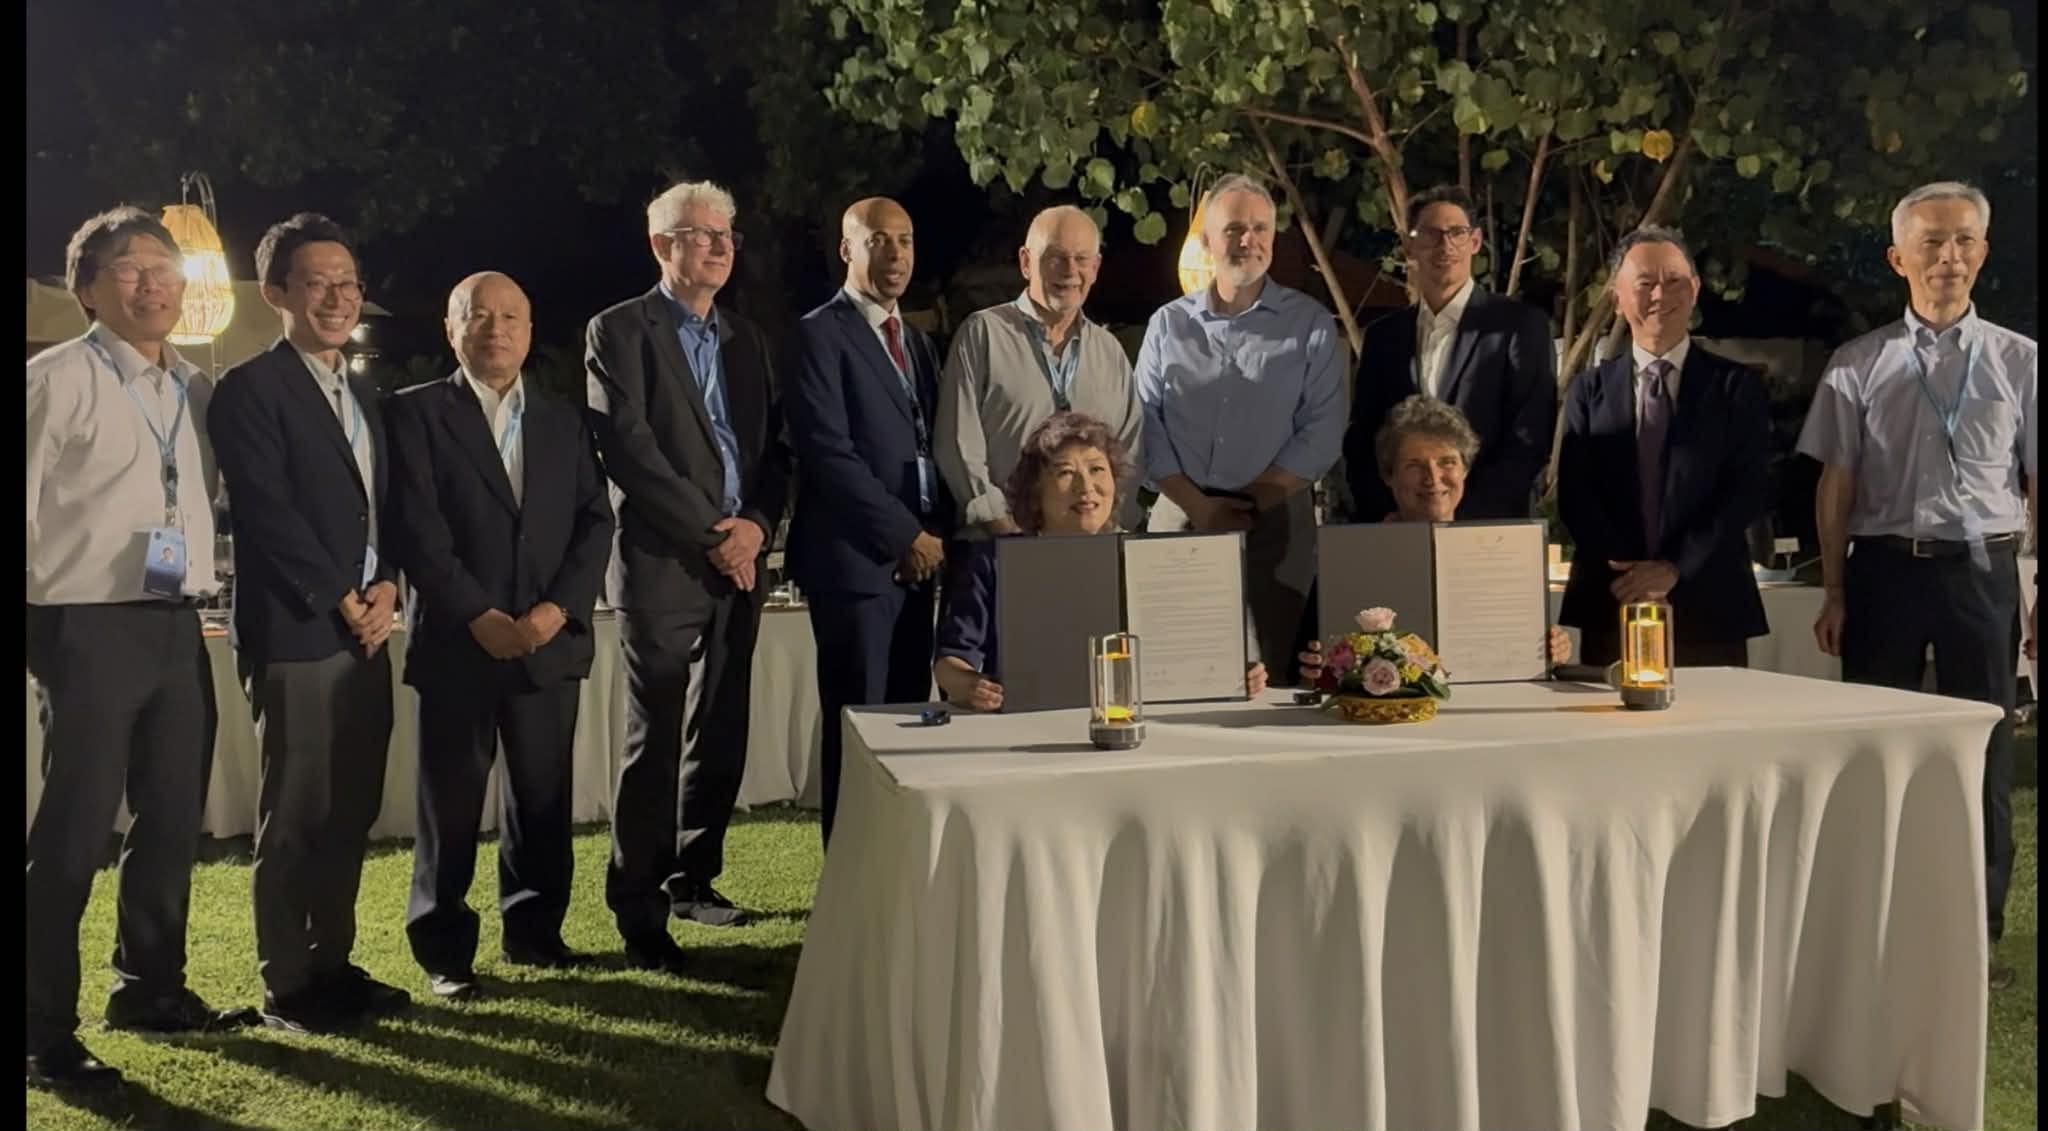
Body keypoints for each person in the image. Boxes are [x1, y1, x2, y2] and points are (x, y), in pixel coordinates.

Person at [26, 207, 249, 1087]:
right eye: (130, 267)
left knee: (170, 816)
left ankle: (150, 988)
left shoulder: (193, 388)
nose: (155, 282)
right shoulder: (55, 379)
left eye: (166, 266)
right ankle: (40, 1027)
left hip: (175, 621)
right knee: (75, 829)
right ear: (87, 289)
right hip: (85, 623)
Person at [1797, 180, 2036, 991]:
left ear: (1983, 253)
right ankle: (1873, 925)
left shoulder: (2020, 360)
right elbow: (1836, 484)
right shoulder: (1857, 364)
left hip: (1983, 571)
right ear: (1899, 258)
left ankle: (1978, 934)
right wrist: (1834, 588)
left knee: (1986, 753)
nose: (1949, 257)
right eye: (1932, 242)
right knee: (1873, 751)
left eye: (1964, 240)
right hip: (1886, 570)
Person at [385, 272, 615, 1001]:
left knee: (542, 801)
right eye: (478, 316)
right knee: (449, 808)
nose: (496, 329)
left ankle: (536, 933)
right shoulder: (414, 413)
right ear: (451, 329)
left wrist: (556, 610)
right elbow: (416, 528)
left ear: (530, 328)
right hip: (459, 646)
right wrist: (478, 614)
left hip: (547, 643)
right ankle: (444, 950)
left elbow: (595, 522)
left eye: (511, 316)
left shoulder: (563, 419)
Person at [209, 212, 408, 1033]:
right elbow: (266, 511)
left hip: (366, 631)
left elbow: (383, 510)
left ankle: (334, 962)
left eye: (348, 282)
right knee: (295, 812)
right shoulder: (249, 389)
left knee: (350, 807)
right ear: (276, 293)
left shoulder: (362, 392)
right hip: (297, 629)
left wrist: (388, 585)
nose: (337, 297)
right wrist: (339, 596)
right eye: (317, 282)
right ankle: (287, 982)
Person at [585, 180, 792, 968]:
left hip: (742, 557)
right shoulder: (617, 331)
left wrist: (757, 527)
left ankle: (694, 878)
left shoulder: (747, 339)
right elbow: (630, 451)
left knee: (722, 726)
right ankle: (639, 910)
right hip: (665, 562)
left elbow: (775, 450)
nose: (718, 246)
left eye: (726, 234)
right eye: (700, 233)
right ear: (660, 245)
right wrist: (715, 536)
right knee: (657, 738)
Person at [786, 198, 950, 846]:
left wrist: (934, 538)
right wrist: (904, 535)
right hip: (856, 568)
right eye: (880, 240)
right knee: (859, 731)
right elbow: (828, 453)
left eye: (905, 240)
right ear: (847, 249)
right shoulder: (818, 335)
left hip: (919, 567)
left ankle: (897, 869)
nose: (896, 254)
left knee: (909, 727)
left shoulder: (921, 345)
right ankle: (849, 874)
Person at [1136, 174, 1346, 676]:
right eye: (1233, 228)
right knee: (1172, 668)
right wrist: (1199, 508)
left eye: (1259, 228)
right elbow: (1143, 422)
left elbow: (1323, 430)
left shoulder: (1311, 325)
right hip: (1180, 518)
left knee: (1271, 671)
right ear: (1208, 240)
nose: (1247, 239)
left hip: (1276, 525)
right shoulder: (1167, 324)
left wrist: (1250, 503)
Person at [934, 412, 1270, 708]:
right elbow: (950, 664)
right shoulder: (993, 562)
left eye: (1097, 469)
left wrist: (1235, 674)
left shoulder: (1149, 561)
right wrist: (971, 686)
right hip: (1026, 726)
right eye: (1066, 472)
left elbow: (1193, 656)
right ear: (1035, 491)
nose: (1086, 487)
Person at [1556, 226, 1769, 668]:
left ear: (1695, 290)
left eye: (1674, 281)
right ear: (1617, 298)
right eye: (1645, 283)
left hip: (1708, 602)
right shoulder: (1589, 390)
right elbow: (1576, 496)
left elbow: (1745, 491)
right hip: (1614, 599)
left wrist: (1673, 568)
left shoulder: (1735, 387)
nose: (1660, 295)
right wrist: (1635, 577)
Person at [1300, 396, 1572, 678]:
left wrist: (1551, 649)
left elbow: (1522, 647)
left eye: (1447, 462)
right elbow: (1308, 660)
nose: (1432, 478)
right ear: (1388, 475)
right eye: (1414, 465)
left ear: (1465, 470)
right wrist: (1314, 670)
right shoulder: (1347, 559)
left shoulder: (1505, 556)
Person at [1343, 185, 1557, 522]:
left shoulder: (1519, 326)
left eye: (1457, 233)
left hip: (1490, 525)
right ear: (1409, 246)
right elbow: (1363, 439)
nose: (1445, 246)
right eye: (1430, 234)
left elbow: (1529, 438)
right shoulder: (1384, 337)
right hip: (1398, 528)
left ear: (1475, 241)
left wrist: (1454, 514)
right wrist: (1390, 512)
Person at [937, 205, 1144, 537]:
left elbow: (1130, 451)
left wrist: (1108, 528)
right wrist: (1002, 529)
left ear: (1095, 268)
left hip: (1090, 550)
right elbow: (958, 444)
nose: (1069, 271)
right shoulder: (983, 334)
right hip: (998, 544)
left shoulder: (1109, 352)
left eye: (1081, 259)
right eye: (1055, 257)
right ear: (1025, 262)